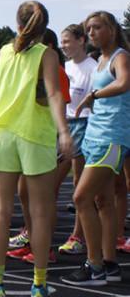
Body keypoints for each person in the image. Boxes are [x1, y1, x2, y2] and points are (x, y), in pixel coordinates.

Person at [0, 1, 71, 297]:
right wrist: (64, 132)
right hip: (34, 135)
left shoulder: (3, 53)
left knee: (1, 212)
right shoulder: (48, 54)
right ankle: (39, 285)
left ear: (16, 22)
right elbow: (54, 94)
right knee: (40, 212)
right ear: (45, 26)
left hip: (2, 135)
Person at [61, 11, 130, 286]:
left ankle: (95, 266)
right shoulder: (100, 60)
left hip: (111, 138)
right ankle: (110, 263)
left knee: (81, 198)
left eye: (97, 27)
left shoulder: (120, 56)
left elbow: (124, 82)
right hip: (94, 135)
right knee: (103, 201)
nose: (91, 33)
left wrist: (94, 95)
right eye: (88, 28)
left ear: (111, 29)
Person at [54, 24, 95, 255]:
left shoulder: (92, 68)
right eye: (62, 41)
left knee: (79, 184)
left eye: (68, 41)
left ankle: (78, 236)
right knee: (51, 184)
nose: (64, 45)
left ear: (81, 40)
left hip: (84, 125)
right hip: (62, 125)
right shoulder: (64, 67)